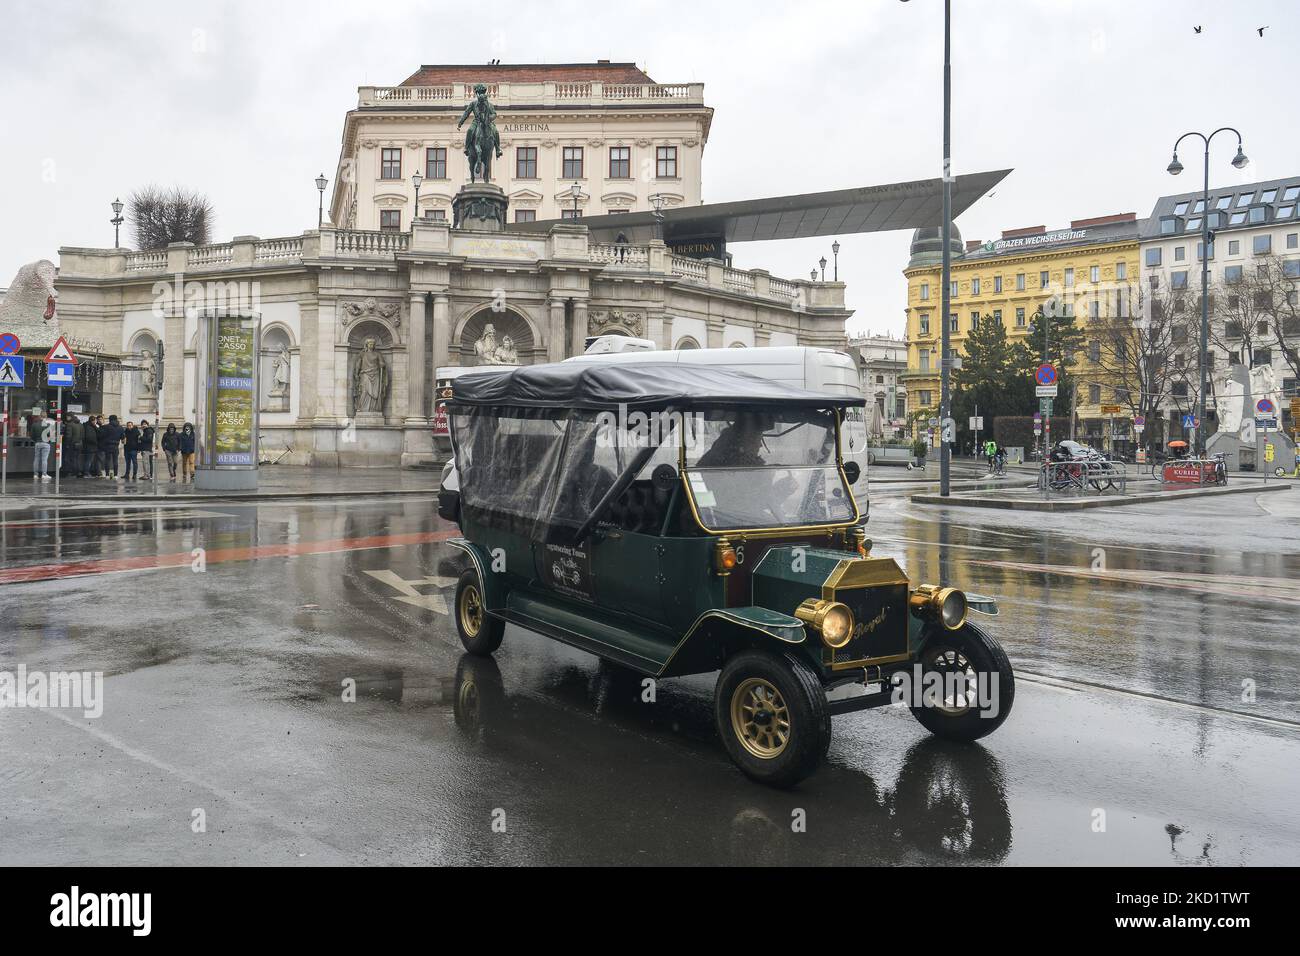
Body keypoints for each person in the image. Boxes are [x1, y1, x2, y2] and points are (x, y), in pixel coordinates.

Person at [28, 411, 53, 482]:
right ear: (46, 417)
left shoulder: (34, 425)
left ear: (40, 416)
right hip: (46, 443)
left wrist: (36, 440)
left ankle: (35, 475)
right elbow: (51, 436)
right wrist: (49, 441)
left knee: (36, 459)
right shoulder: (48, 425)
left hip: (37, 443)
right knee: (44, 459)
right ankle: (44, 474)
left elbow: (32, 435)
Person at [98, 414, 123, 479]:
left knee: (107, 460)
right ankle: (115, 475)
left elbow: (101, 436)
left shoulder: (106, 427)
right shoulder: (120, 427)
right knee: (115, 461)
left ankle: (107, 475)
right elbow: (122, 437)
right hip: (116, 446)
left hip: (108, 446)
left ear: (110, 419)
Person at [63, 413, 85, 478]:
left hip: (72, 444)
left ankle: (73, 473)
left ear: (70, 417)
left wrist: (67, 444)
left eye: (67, 417)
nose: (67, 418)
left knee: (71, 459)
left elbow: (68, 436)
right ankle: (78, 472)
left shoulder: (69, 425)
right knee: (77, 459)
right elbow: (83, 436)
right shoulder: (81, 425)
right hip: (80, 444)